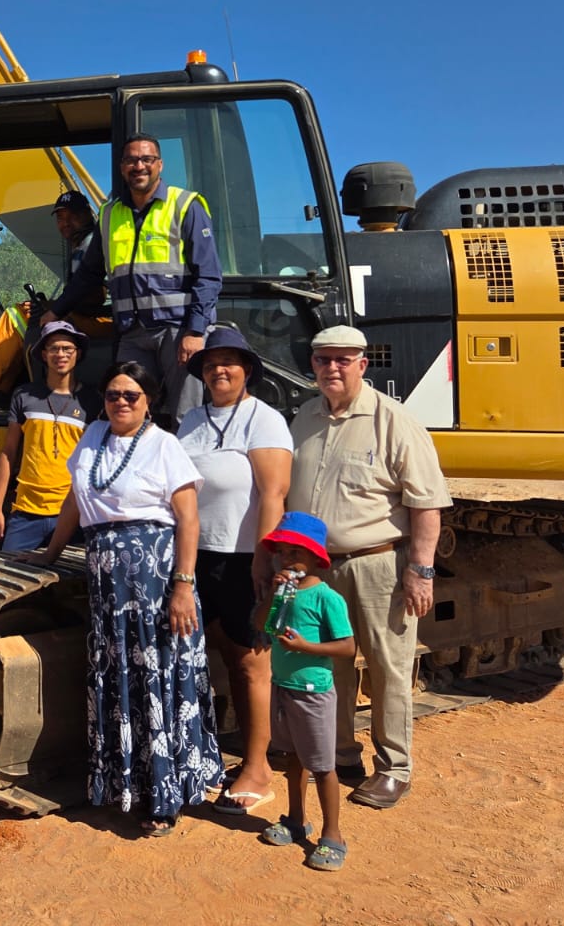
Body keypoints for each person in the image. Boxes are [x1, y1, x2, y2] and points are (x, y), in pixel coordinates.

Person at [36, 361, 225, 837]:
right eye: (113, 394)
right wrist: (49, 555)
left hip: (154, 578)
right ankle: (126, 786)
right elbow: (75, 501)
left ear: (148, 401)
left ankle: (166, 795)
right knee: (120, 675)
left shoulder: (164, 445)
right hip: (107, 579)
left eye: (131, 395)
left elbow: (188, 519)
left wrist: (183, 585)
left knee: (156, 676)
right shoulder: (93, 436)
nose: (121, 402)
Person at [287, 325, 452, 810]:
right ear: (312, 365)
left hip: (378, 565)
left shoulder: (393, 420)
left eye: (343, 359)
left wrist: (421, 570)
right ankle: (340, 755)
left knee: (388, 668)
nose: (332, 368)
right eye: (323, 359)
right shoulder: (304, 417)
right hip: (318, 570)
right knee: (329, 664)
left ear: (363, 364)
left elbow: (427, 503)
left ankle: (395, 769)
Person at [175, 324, 292, 816]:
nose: (218, 370)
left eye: (228, 362)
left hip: (244, 557)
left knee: (250, 664)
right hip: (196, 557)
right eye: (210, 364)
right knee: (211, 655)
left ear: (247, 370)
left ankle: (258, 769)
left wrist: (264, 560)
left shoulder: (264, 420)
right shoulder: (190, 420)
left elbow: (273, 494)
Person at [43, 134, 222, 427]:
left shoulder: (184, 206)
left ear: (160, 165)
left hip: (177, 330)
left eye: (146, 159)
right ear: (122, 167)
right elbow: (89, 273)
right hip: (133, 333)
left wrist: (195, 331)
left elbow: (209, 275)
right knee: (125, 410)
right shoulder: (110, 214)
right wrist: (56, 310)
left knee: (185, 417)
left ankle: (185, 460)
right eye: (131, 160)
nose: (139, 166)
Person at [255, 512, 355, 873]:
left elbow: (347, 647)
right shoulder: (283, 593)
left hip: (313, 692)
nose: (285, 560)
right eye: (281, 553)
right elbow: (261, 625)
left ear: (315, 557)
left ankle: (333, 836)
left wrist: (305, 648)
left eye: (294, 553)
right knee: (293, 757)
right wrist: (272, 594)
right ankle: (296, 819)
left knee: (323, 766)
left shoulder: (327, 598)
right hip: (283, 687)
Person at [0, 320, 103, 551]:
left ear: (78, 353)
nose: (60, 354)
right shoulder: (24, 395)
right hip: (25, 513)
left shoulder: (91, 401)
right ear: (43, 354)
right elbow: (9, 453)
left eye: (67, 348)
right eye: (54, 348)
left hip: (72, 513)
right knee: (10, 570)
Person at [0, 190, 103, 393]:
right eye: (61, 218)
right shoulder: (85, 244)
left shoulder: (90, 245)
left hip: (100, 319)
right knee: (29, 318)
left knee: (16, 315)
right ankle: (0, 391)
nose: (66, 223)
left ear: (87, 214)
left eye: (73, 216)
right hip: (94, 315)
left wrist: (55, 309)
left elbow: (91, 294)